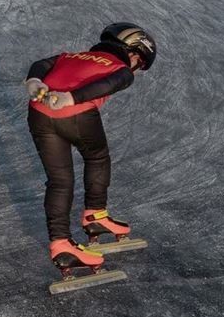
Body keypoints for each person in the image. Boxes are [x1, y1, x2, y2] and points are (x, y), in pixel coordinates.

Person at [24, 23, 157, 273]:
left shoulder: (70, 56)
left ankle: (61, 244)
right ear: (133, 53)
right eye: (139, 64)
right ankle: (95, 216)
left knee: (59, 181)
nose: (136, 71)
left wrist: (34, 81)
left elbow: (41, 63)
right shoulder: (122, 69)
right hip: (76, 113)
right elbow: (107, 86)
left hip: (38, 113)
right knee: (97, 158)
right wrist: (71, 98)